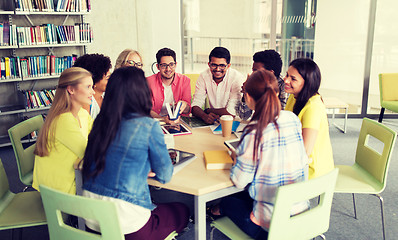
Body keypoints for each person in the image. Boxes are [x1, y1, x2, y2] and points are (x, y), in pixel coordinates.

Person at [82, 67, 189, 240]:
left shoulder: (99, 122)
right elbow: (164, 175)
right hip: (129, 228)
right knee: (182, 210)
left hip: (92, 222)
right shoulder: (147, 125)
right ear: (142, 92)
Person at [210, 69, 309, 239]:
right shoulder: (292, 118)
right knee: (243, 196)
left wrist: (238, 160)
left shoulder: (254, 131)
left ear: (248, 97)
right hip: (301, 212)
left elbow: (240, 181)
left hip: (272, 226)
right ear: (277, 92)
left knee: (226, 202)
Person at [32, 67, 94, 194]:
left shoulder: (81, 113)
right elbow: (90, 154)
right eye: (88, 87)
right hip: (59, 192)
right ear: (71, 89)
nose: (92, 92)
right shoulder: (63, 120)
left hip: (73, 177)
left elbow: (98, 134)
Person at [284, 58, 334, 179]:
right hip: (296, 161)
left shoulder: (313, 107)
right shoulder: (294, 96)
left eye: (293, 79)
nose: (286, 80)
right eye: (287, 75)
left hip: (311, 171)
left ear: (307, 83)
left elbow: (305, 152)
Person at [191, 47, 244, 124]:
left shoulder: (237, 78)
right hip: (213, 121)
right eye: (214, 65)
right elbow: (195, 105)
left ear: (228, 66)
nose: (218, 69)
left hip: (234, 123)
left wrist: (208, 111)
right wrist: (204, 116)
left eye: (222, 65)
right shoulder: (203, 76)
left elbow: (231, 112)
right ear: (209, 64)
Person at [147, 48, 191, 124]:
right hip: (156, 122)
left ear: (175, 64)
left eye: (171, 64)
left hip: (178, 122)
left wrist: (184, 105)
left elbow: (188, 110)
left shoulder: (184, 81)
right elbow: (146, 109)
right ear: (158, 67)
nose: (168, 69)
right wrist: (163, 119)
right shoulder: (148, 82)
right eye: (164, 65)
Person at [73, 53, 112, 119]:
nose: (111, 80)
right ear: (94, 82)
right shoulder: (86, 102)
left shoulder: (107, 96)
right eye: (107, 78)